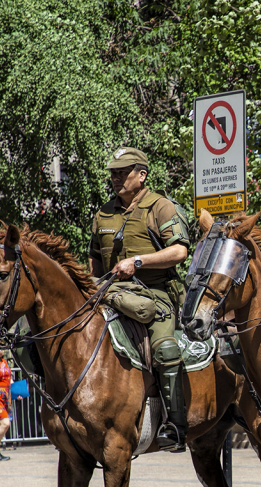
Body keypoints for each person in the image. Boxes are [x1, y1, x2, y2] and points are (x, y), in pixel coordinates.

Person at [89, 147, 191, 451]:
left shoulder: (160, 207)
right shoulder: (103, 213)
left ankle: (175, 426)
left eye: (123, 172)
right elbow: (94, 262)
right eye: (113, 173)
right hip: (110, 293)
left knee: (166, 349)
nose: (116, 178)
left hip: (155, 294)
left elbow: (179, 251)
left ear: (142, 175)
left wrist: (139, 262)